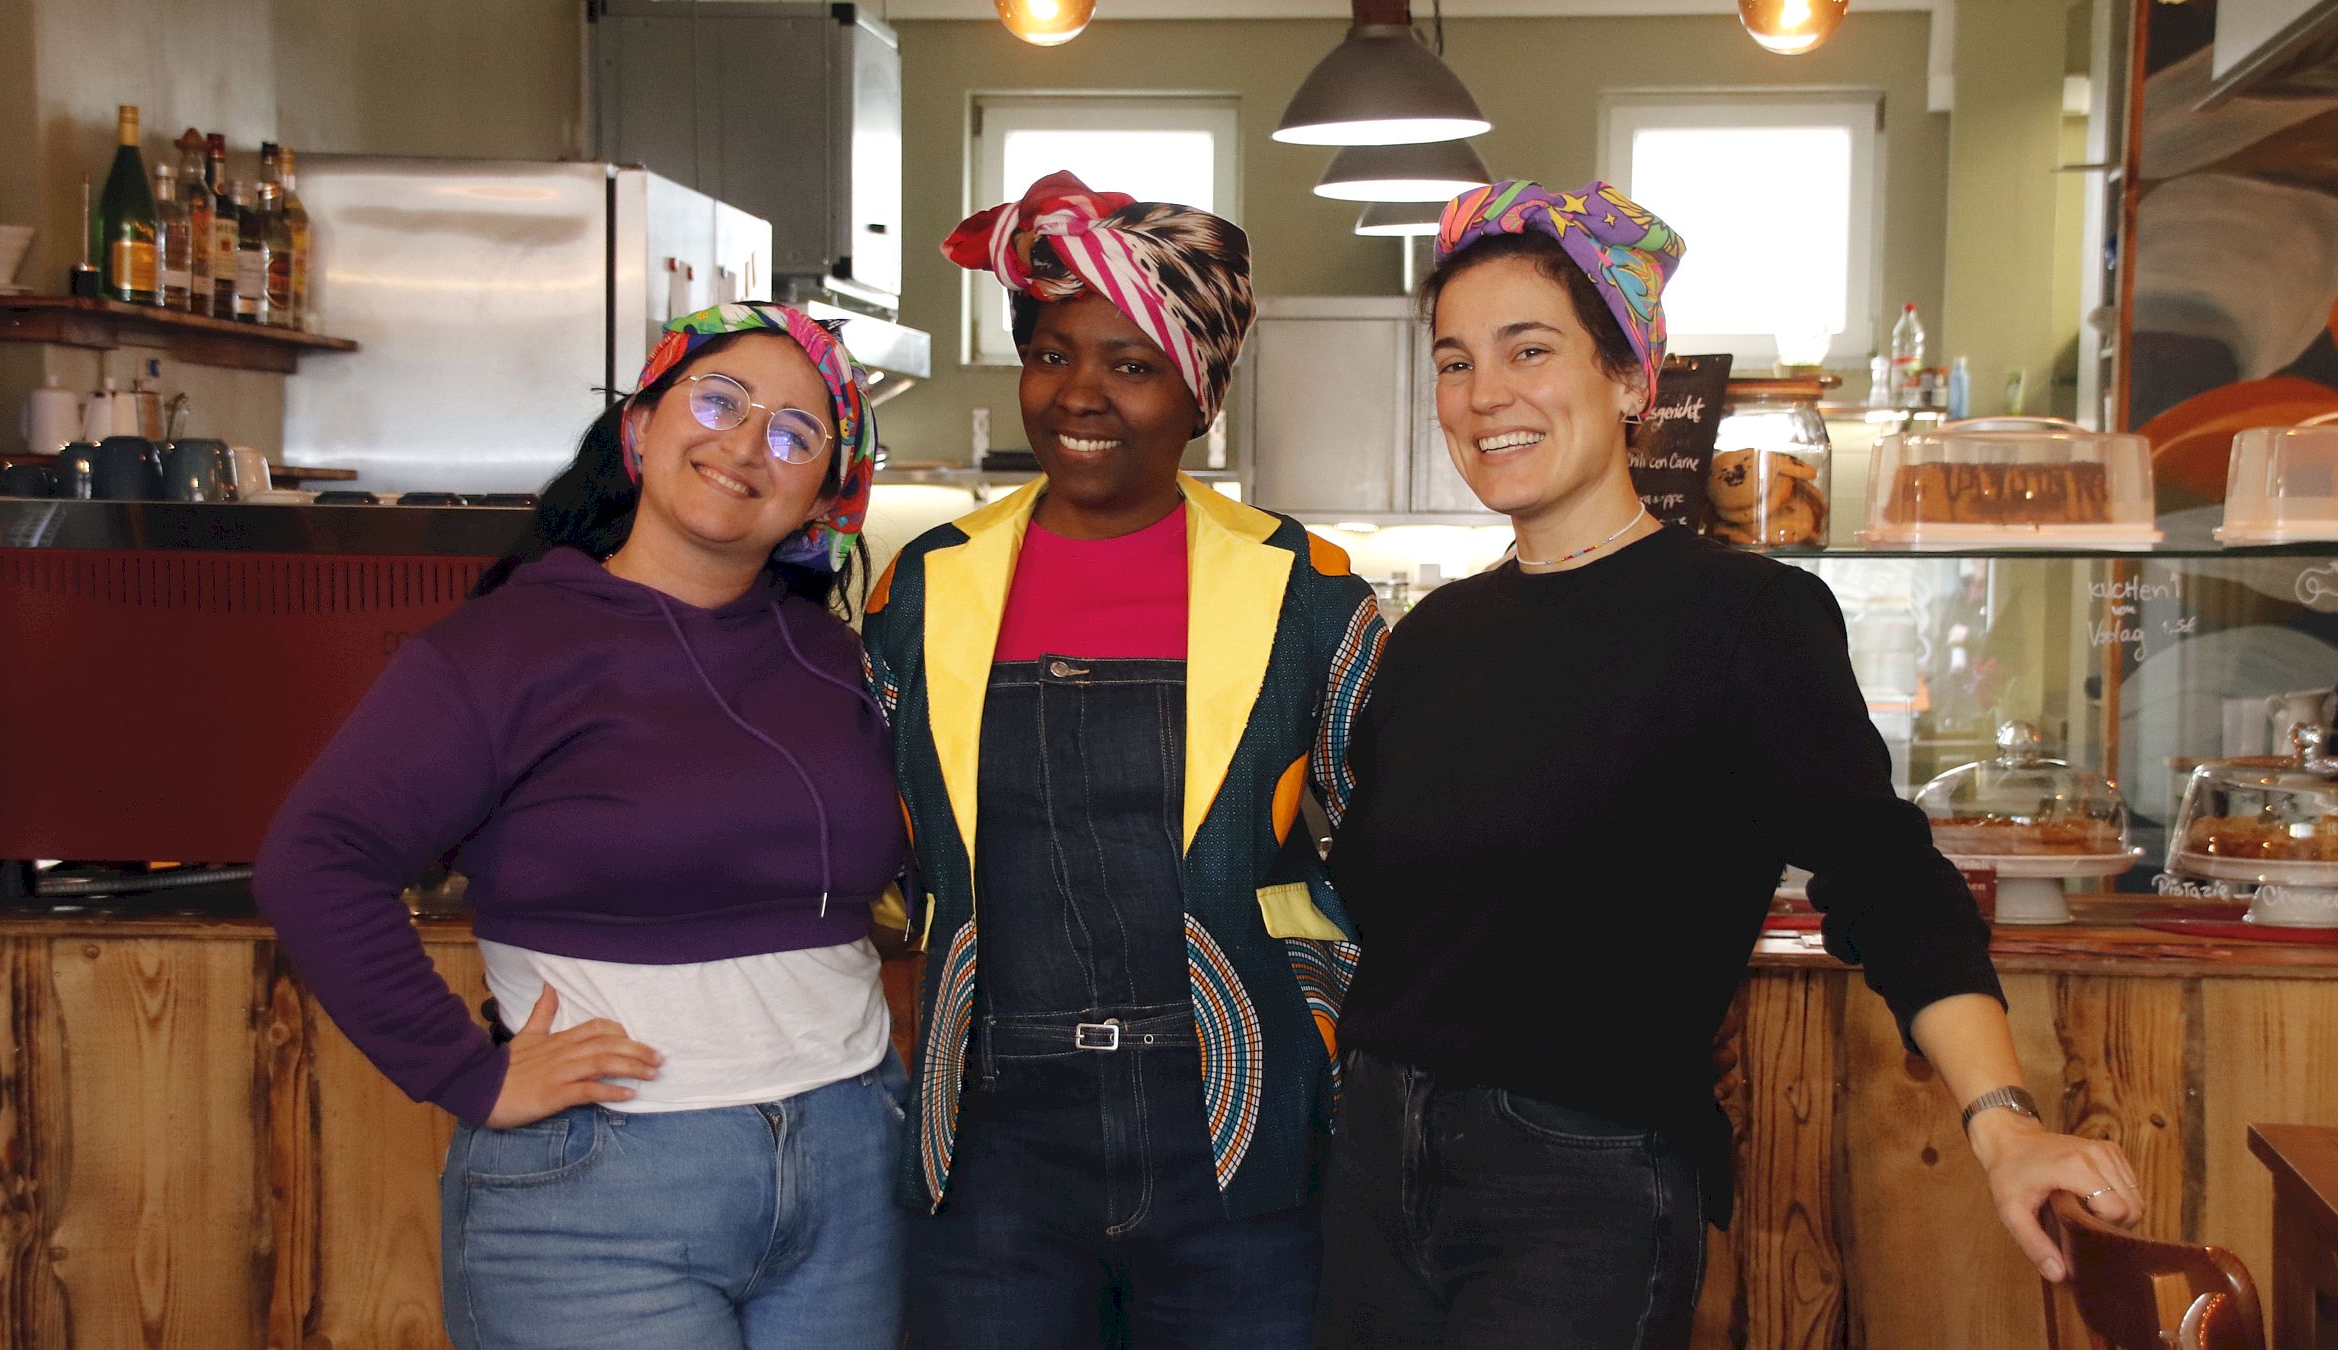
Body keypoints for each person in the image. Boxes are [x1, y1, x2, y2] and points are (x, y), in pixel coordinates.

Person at [1315, 181, 2145, 1348]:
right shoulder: (1435, 638)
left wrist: (2002, 1118)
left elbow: (1886, 875)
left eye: (1529, 349)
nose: (1483, 394)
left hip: (1577, 1184)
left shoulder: (1745, 619)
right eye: (1454, 362)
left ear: (1628, 377)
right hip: (1370, 1167)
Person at [255, 302, 910, 1350]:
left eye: (796, 433)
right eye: (720, 400)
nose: (747, 445)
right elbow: (315, 860)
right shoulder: (502, 649)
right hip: (601, 1194)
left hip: (852, 1168)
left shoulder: (836, 663)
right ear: (640, 428)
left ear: (825, 497)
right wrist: (465, 1072)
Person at [861, 171, 1385, 1349]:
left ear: (1200, 393)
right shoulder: (922, 589)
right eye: (1051, 356)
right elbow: (884, 853)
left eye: (1131, 364)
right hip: (990, 1144)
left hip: (1243, 1140)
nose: (1079, 394)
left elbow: (1379, 861)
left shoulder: (1313, 598)